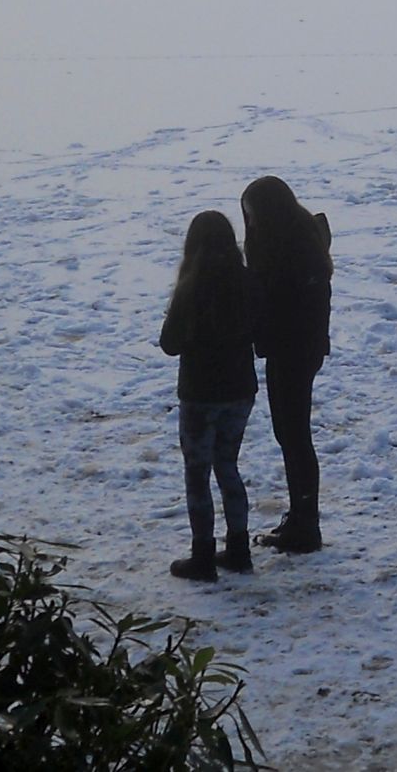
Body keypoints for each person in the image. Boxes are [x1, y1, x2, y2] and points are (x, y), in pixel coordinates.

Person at [158, 210, 257, 582]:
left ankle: (202, 555)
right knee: (228, 466)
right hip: (240, 391)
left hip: (200, 395)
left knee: (197, 474)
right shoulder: (247, 282)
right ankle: (238, 548)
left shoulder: (192, 287)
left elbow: (169, 344)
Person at [241, 175, 332, 554]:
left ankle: (305, 524)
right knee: (293, 437)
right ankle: (302, 518)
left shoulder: (290, 257)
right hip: (300, 350)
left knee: (293, 437)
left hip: (291, 352)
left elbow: (276, 308)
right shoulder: (304, 244)